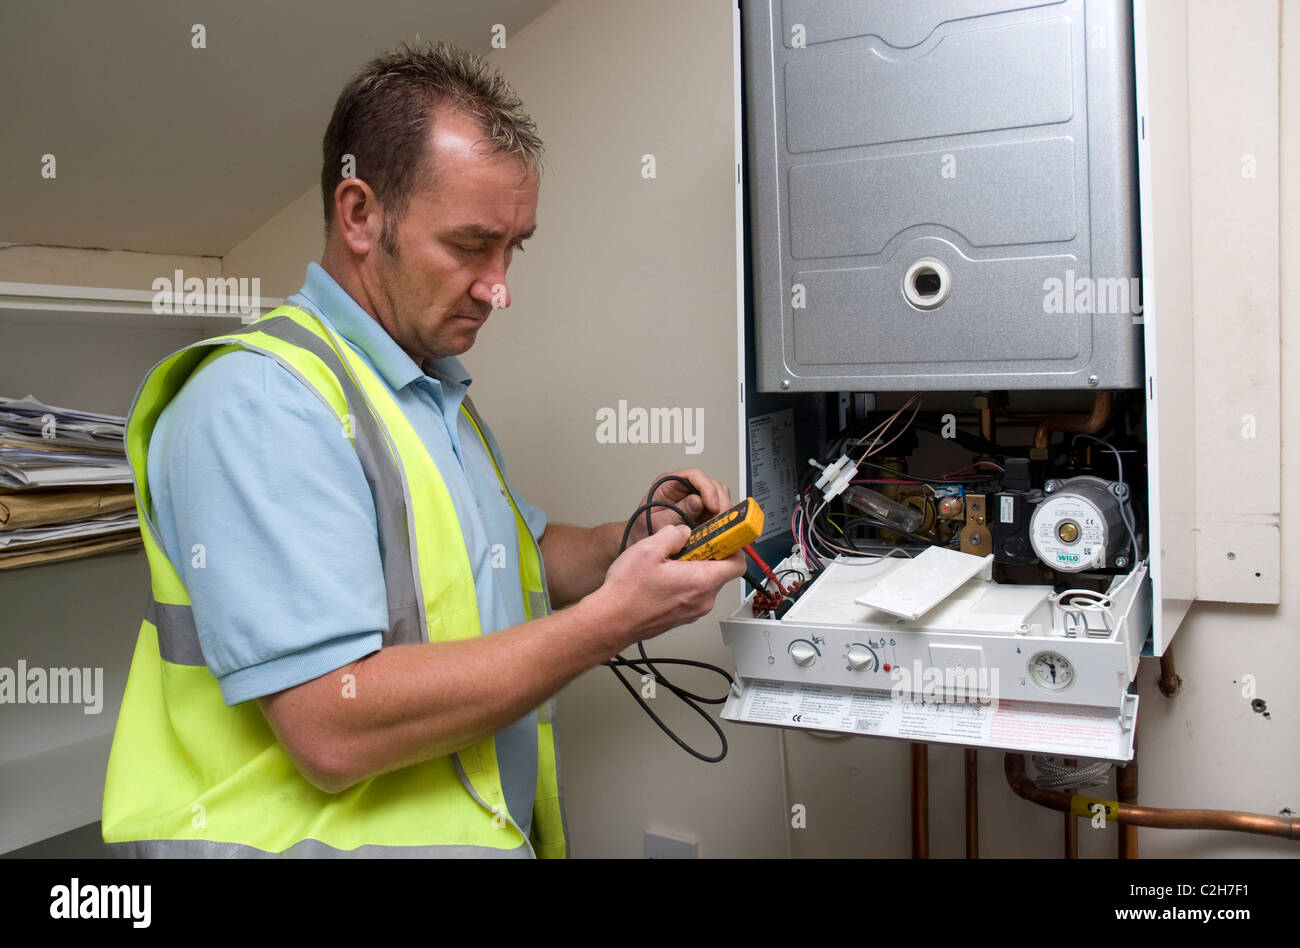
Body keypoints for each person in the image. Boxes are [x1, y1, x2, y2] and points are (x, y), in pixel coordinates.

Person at [101, 40, 745, 858]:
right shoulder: (261, 404)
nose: (499, 284)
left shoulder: (425, 388)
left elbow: (511, 556)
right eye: (471, 244)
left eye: (515, 247)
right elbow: (330, 725)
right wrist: (613, 623)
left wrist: (641, 544)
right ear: (361, 214)